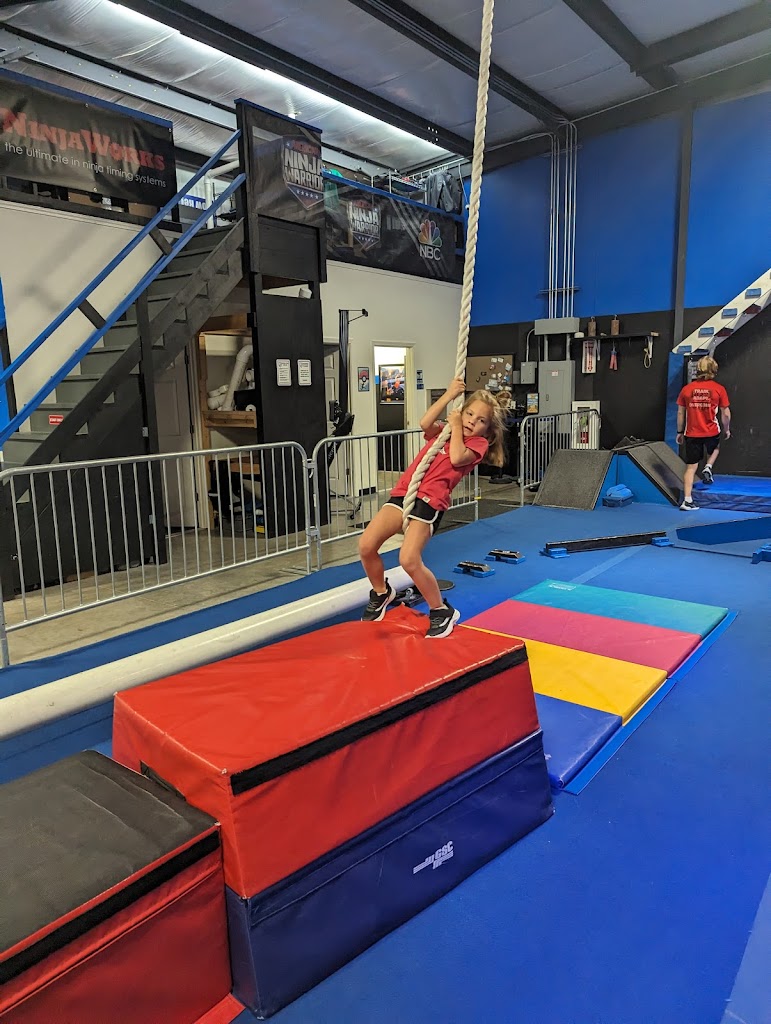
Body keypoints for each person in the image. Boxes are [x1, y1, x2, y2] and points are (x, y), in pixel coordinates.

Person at [358, 378, 505, 638]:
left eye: (481, 420)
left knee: (408, 559)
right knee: (366, 545)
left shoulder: (477, 444)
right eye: (469, 414)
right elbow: (425, 423)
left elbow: (457, 457)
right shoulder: (444, 432)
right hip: (405, 493)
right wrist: (449, 395)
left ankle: (440, 610)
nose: (472, 421)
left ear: (488, 430)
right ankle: (381, 592)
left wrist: (456, 425)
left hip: (429, 502)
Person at [676, 355, 731, 511]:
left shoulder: (687, 389)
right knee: (715, 448)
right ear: (714, 370)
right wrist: (727, 429)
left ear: (698, 369)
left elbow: (680, 413)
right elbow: (726, 414)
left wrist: (679, 431)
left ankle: (687, 500)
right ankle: (708, 466)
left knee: (691, 468)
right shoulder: (719, 389)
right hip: (711, 430)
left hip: (692, 433)